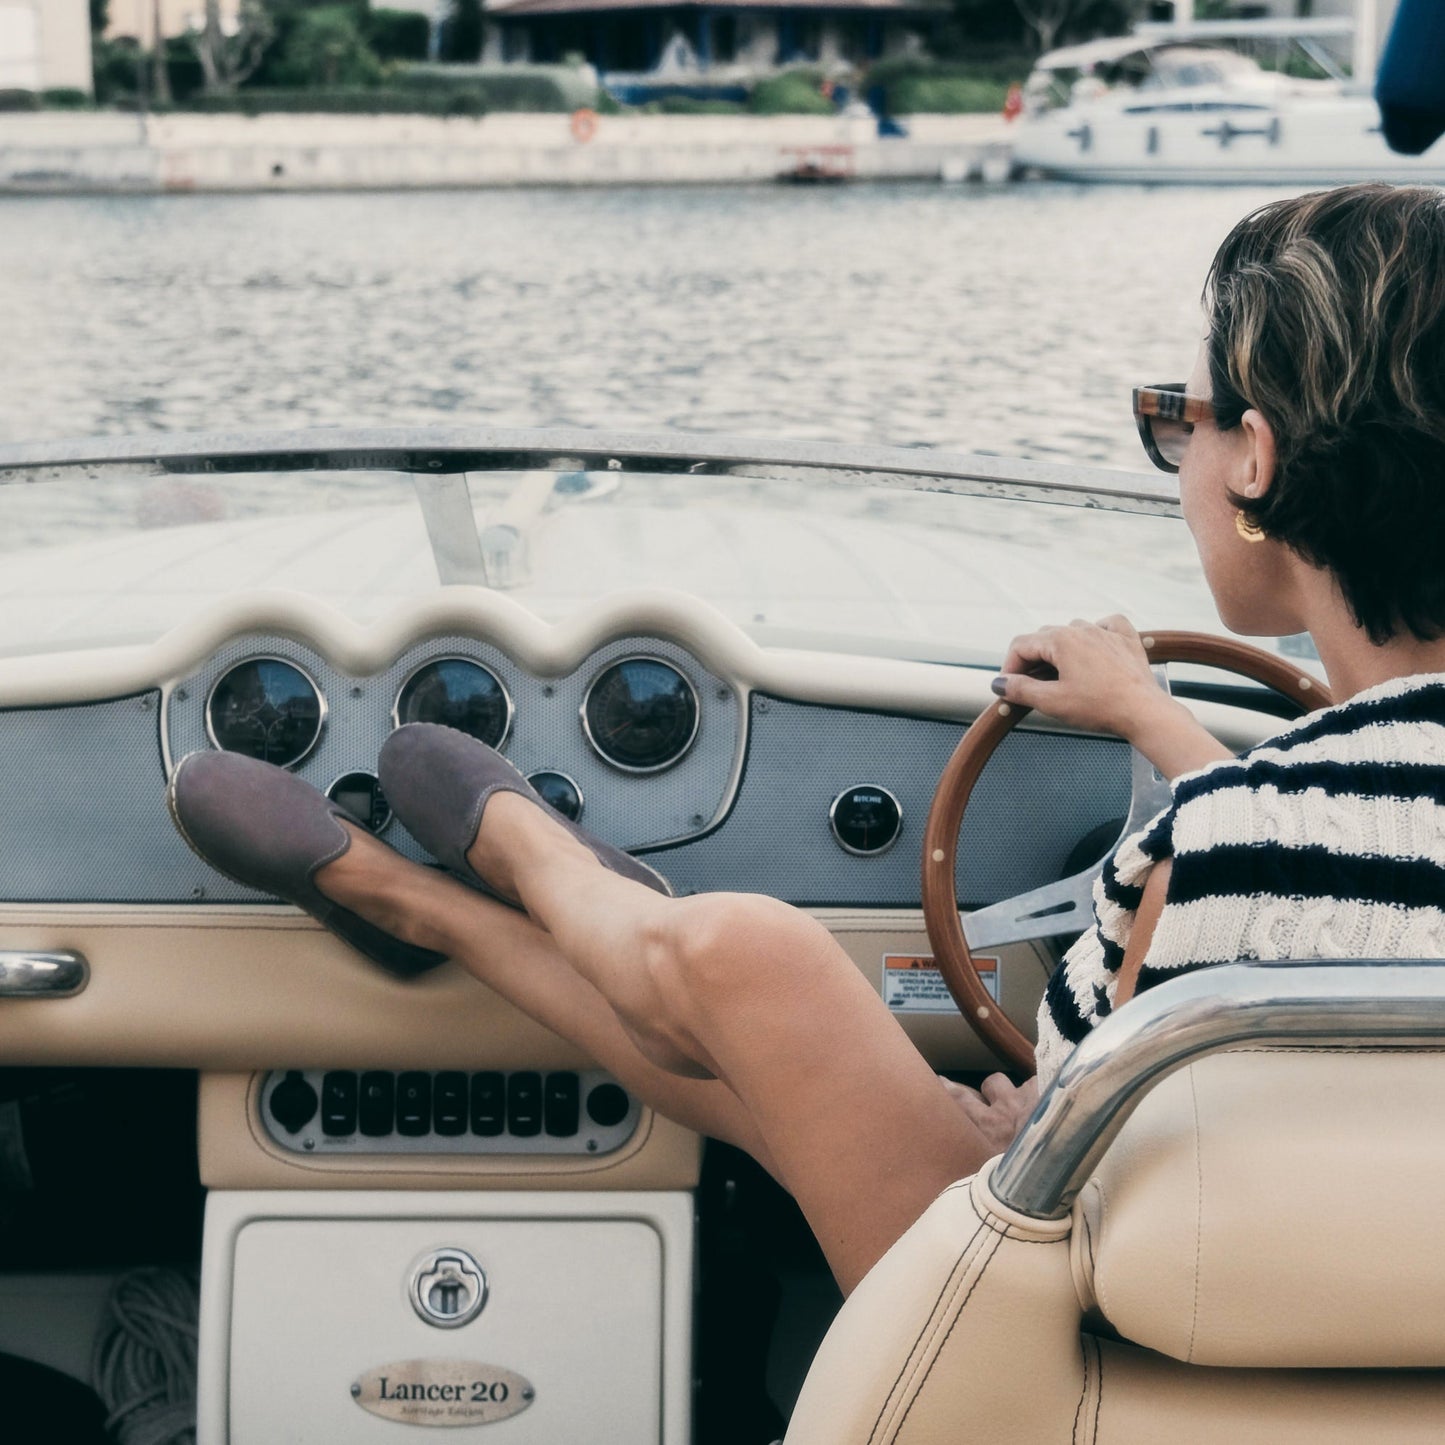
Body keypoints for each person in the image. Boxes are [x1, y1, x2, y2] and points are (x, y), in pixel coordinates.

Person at [168, 182, 1445, 1298]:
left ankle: (503, 886)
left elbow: (1269, 872)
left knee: (753, 968)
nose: (1178, 448)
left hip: (1084, 1356)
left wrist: (1035, 1114)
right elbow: (1360, 851)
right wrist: (1155, 720)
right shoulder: (1250, 824)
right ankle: (445, 902)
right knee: (789, 1080)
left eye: (1185, 416)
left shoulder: (1211, 850)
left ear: (1257, 462)